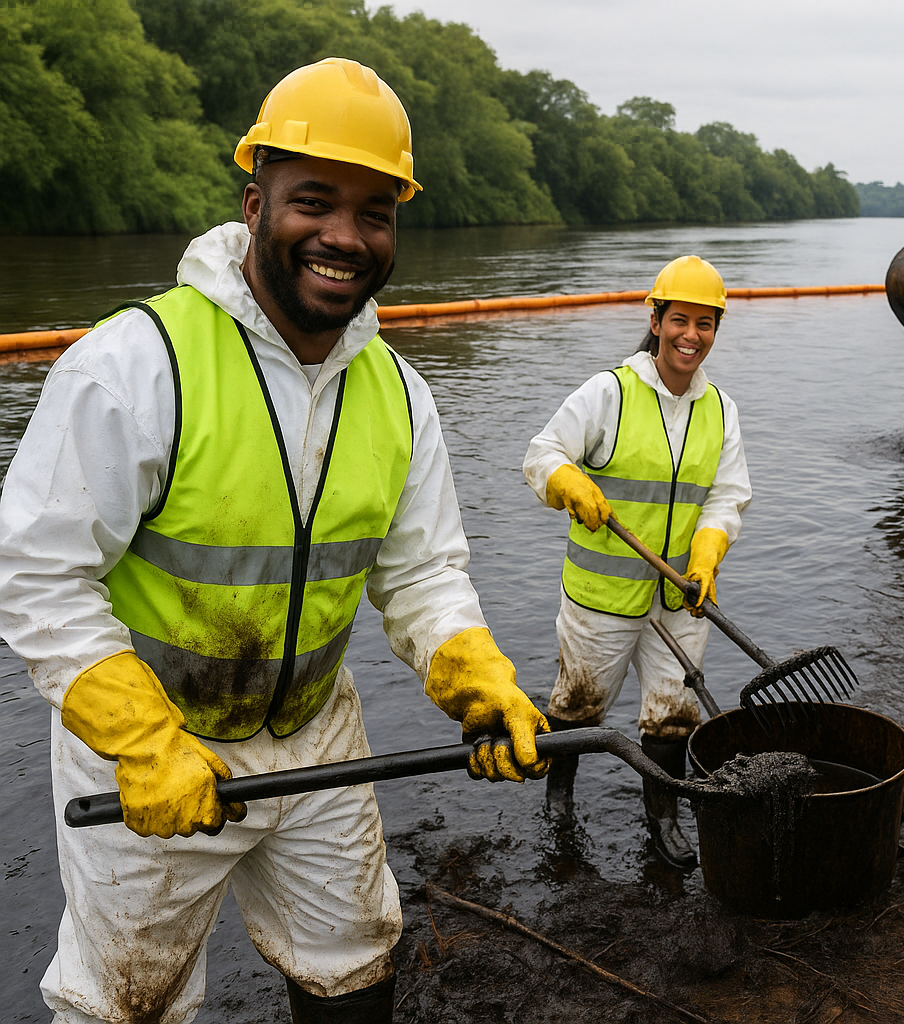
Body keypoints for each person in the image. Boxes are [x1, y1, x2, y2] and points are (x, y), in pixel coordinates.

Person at [0, 58, 551, 1024]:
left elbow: (423, 574)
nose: (344, 235)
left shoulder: (399, 395)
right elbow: (37, 574)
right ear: (254, 203)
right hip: (154, 755)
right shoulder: (136, 364)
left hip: (315, 735)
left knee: (352, 960)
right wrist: (140, 741)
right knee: (126, 1002)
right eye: (313, 201)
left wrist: (479, 677)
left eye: (374, 211)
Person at [523, 255, 751, 870]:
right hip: (601, 596)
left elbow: (727, 497)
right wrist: (568, 481)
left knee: (674, 712)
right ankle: (561, 801)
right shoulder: (610, 393)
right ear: (655, 319)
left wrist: (709, 551)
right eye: (680, 320)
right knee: (578, 704)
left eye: (706, 324)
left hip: (682, 597)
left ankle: (663, 816)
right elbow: (540, 454)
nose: (691, 336)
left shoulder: (721, 410)